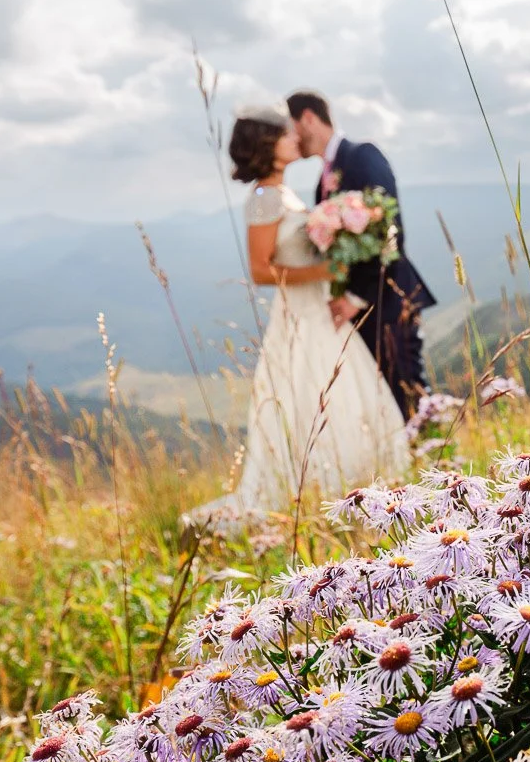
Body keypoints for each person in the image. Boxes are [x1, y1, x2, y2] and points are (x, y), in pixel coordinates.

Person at [185, 104, 410, 527]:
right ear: (268, 145)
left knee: (349, 400)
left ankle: (353, 492)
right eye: (286, 135)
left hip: (321, 314)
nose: (295, 139)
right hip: (300, 319)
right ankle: (321, 497)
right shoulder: (263, 199)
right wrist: (323, 270)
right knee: (311, 403)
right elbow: (259, 270)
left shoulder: (285, 194)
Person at [287, 89, 437, 420]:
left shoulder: (362, 155)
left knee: (409, 392)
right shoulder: (321, 182)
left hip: (389, 297)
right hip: (359, 311)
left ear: (308, 118)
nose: (291, 138)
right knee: (385, 401)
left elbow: (389, 228)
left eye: (292, 126)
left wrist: (356, 296)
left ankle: (442, 463)